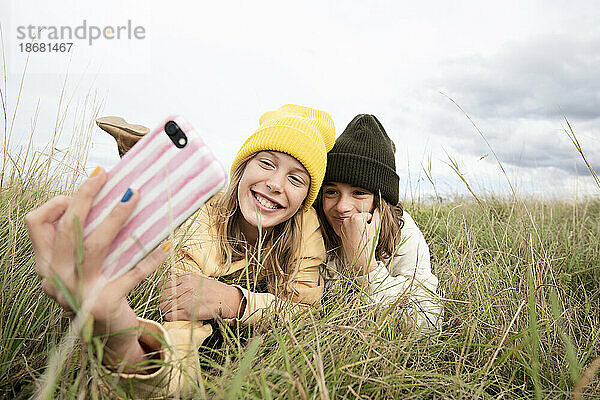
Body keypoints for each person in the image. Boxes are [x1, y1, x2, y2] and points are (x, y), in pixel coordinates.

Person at [25, 104, 335, 398]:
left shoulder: (306, 230)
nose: (276, 184)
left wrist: (235, 301)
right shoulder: (204, 222)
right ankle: (136, 150)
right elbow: (180, 329)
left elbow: (304, 312)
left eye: (296, 179)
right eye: (266, 163)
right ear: (241, 169)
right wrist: (127, 349)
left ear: (307, 196)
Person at [315, 114, 442, 333]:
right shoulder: (312, 226)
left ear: (381, 201)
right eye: (331, 191)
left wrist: (367, 268)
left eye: (359, 193)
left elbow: (428, 325)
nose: (342, 206)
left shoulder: (405, 234)